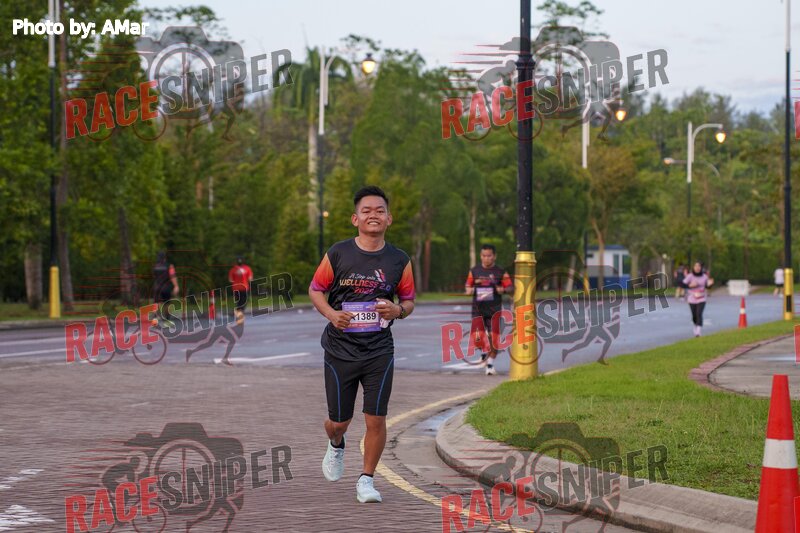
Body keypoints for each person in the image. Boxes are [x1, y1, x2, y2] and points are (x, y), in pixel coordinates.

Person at [308, 185, 416, 503]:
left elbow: (408, 301)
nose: (373, 215)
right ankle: (336, 443)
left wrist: (397, 310)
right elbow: (315, 289)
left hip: (379, 350)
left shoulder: (399, 260)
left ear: (389, 218)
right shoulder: (338, 253)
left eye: (380, 210)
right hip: (340, 349)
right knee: (339, 422)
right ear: (355, 219)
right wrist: (332, 314)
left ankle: (366, 479)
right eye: (366, 211)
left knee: (376, 417)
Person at [464, 244, 513, 375]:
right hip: (478, 310)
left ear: (494, 256)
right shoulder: (474, 271)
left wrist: (502, 289)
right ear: (481, 256)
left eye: (489, 256)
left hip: (494, 311)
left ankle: (490, 364)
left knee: (494, 338)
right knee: (477, 338)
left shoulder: (500, 272)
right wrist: (473, 288)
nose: (486, 258)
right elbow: (467, 288)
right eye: (484, 256)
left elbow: (510, 288)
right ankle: (484, 352)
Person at [683, 261, 714, 337]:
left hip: (702, 297)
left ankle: (698, 331)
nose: (697, 268)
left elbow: (707, 286)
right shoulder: (690, 276)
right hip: (692, 298)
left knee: (699, 314)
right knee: (694, 315)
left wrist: (710, 284)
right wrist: (690, 286)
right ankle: (695, 326)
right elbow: (683, 284)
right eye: (696, 266)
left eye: (699, 266)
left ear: (701, 268)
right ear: (693, 267)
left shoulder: (704, 276)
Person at [152, 251, 179, 326]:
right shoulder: (169, 266)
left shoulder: (155, 266)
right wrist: (176, 286)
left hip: (157, 287)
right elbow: (172, 276)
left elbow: (154, 276)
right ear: (165, 258)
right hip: (166, 287)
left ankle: (155, 319)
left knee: (156, 303)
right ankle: (167, 320)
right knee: (167, 304)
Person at [228, 256, 253, 324]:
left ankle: (239, 314)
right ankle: (240, 313)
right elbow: (250, 278)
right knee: (244, 301)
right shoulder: (247, 268)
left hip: (235, 288)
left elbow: (230, 280)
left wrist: (237, 278)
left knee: (239, 302)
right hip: (244, 287)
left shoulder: (233, 269)